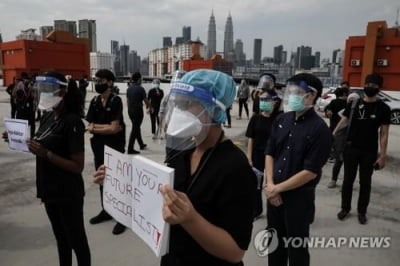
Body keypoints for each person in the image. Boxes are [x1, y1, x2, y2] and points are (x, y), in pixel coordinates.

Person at [93, 69, 257, 266]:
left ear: (214, 109)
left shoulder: (235, 167)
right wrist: (120, 181)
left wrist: (191, 219)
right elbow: (160, 195)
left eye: (187, 104)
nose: (179, 111)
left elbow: (235, 252)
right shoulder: (184, 149)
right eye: (177, 104)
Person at [5, 71, 91, 266]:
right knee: (61, 239)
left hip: (67, 192)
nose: (44, 95)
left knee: (77, 241)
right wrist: (16, 138)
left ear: (62, 92)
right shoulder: (48, 117)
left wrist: (47, 155)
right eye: (41, 91)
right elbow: (38, 144)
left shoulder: (73, 122)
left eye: (48, 90)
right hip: (49, 189)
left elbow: (78, 166)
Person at [264, 73, 332, 266]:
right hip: (273, 195)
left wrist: (278, 189)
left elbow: (310, 171)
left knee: (297, 249)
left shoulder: (320, 130)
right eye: (291, 91)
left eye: (298, 92)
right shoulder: (281, 120)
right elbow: (270, 153)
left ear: (312, 95)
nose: (292, 95)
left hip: (298, 199)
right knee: (274, 245)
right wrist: (270, 185)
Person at [335, 73, 390, 225]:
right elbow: (344, 120)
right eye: (368, 85)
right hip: (351, 149)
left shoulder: (383, 108)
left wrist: (383, 155)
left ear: (379, 88)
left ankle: (362, 212)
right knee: (348, 181)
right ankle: (345, 208)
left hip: (369, 151)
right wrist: (332, 135)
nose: (369, 88)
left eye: (373, 86)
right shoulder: (354, 104)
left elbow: (384, 133)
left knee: (365, 183)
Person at [86, 69, 126, 235]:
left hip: (114, 148)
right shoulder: (95, 101)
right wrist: (104, 128)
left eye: (101, 80)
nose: (98, 83)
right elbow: (90, 125)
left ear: (110, 82)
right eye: (96, 80)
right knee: (102, 180)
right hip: (98, 148)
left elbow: (115, 128)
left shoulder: (116, 101)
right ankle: (106, 210)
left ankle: (121, 217)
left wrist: (96, 128)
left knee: (116, 181)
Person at [246, 90, 281, 218]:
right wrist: (249, 157)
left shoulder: (279, 119)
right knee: (256, 184)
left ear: (274, 101)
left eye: (267, 100)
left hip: (273, 156)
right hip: (257, 155)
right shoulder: (255, 118)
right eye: (262, 100)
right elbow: (251, 138)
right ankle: (257, 209)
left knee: (272, 183)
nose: (264, 102)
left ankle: (274, 209)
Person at [126, 72, 150, 154]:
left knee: (136, 127)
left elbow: (127, 100)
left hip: (130, 111)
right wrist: (149, 106)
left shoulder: (129, 88)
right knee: (135, 129)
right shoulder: (140, 89)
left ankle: (141, 144)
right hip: (137, 111)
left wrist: (129, 109)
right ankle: (130, 148)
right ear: (139, 79)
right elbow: (146, 100)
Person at [14, 74, 36, 138]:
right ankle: (20, 135)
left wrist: (31, 89)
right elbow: (15, 95)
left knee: (32, 123)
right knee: (21, 123)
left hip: (30, 109)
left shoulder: (32, 88)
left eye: (28, 81)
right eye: (25, 80)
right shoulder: (19, 88)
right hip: (22, 109)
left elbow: (35, 97)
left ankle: (32, 136)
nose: (26, 82)